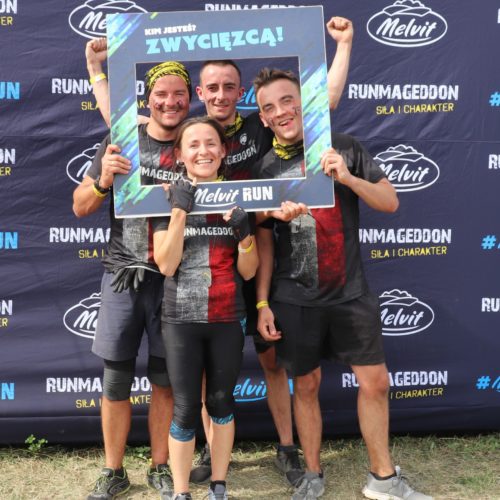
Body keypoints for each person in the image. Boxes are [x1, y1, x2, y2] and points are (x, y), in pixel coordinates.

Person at [84, 16, 353, 485]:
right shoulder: (179, 134)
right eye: (212, 87)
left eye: (230, 86)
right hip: (186, 267)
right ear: (200, 96)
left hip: (246, 252)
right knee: (194, 375)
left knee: (270, 360)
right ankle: (202, 458)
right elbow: (121, 121)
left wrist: (343, 46)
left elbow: (318, 107)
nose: (221, 94)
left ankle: (285, 448)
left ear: (240, 92)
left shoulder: (258, 126)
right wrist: (96, 72)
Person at [252, 67, 433, 500]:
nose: (281, 111)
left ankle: (383, 479)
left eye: (287, 100)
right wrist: (262, 303)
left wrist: (348, 178)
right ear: (262, 118)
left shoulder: (345, 147)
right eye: (269, 107)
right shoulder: (265, 167)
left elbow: (390, 202)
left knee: (376, 382)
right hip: (295, 296)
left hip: (350, 291)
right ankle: (312, 474)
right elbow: (263, 243)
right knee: (306, 385)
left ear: (305, 102)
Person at [73, 60, 193, 499]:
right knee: (115, 382)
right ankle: (114, 470)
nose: (169, 102)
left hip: (175, 278)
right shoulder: (121, 139)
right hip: (123, 275)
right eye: (161, 94)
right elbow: (80, 205)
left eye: (178, 94)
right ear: (148, 99)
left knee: (165, 382)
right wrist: (103, 180)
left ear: (190, 98)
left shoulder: (197, 141)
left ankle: (160, 466)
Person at [152, 116, 259, 500]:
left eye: (211, 143)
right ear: (180, 155)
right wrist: (180, 211)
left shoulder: (238, 197)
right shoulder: (164, 197)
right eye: (193, 145)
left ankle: (218, 486)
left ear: (223, 150)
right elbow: (166, 265)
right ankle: (181, 492)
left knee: (220, 402)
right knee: (184, 409)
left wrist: (245, 236)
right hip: (181, 318)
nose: (203, 151)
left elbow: (249, 271)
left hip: (227, 315)